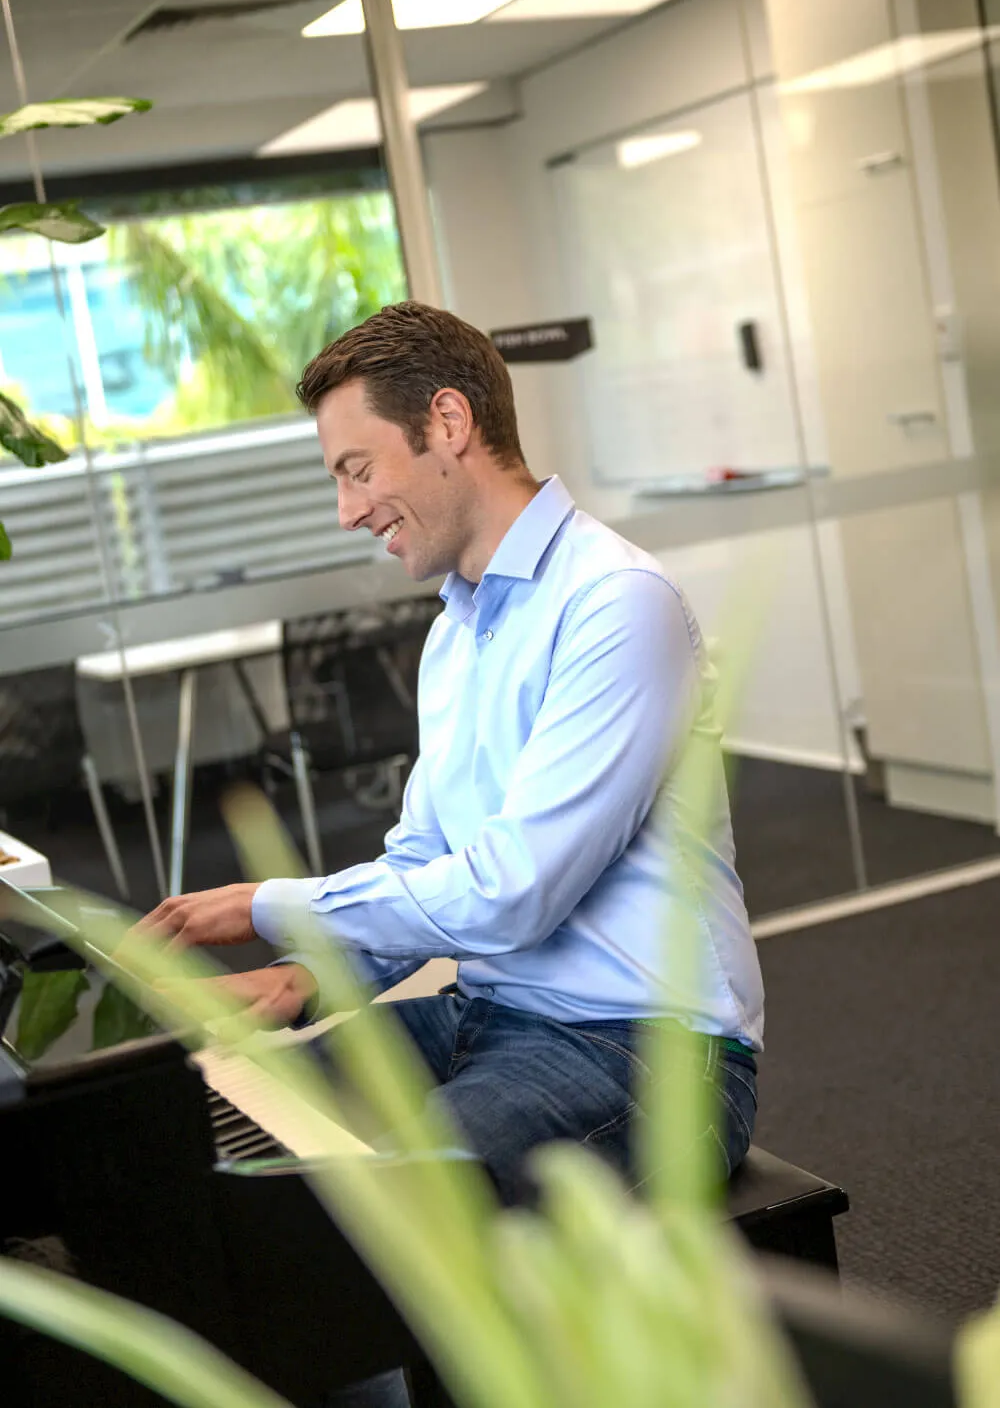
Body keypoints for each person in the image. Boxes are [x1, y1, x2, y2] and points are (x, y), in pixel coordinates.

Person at [134, 301, 764, 1204]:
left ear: (448, 423)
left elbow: (514, 891)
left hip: (649, 1049)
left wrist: (267, 904)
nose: (348, 511)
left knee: (385, 1211)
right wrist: (303, 979)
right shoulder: (456, 634)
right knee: (215, 1128)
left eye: (357, 470)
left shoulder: (615, 602)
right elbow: (429, 862)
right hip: (491, 1016)